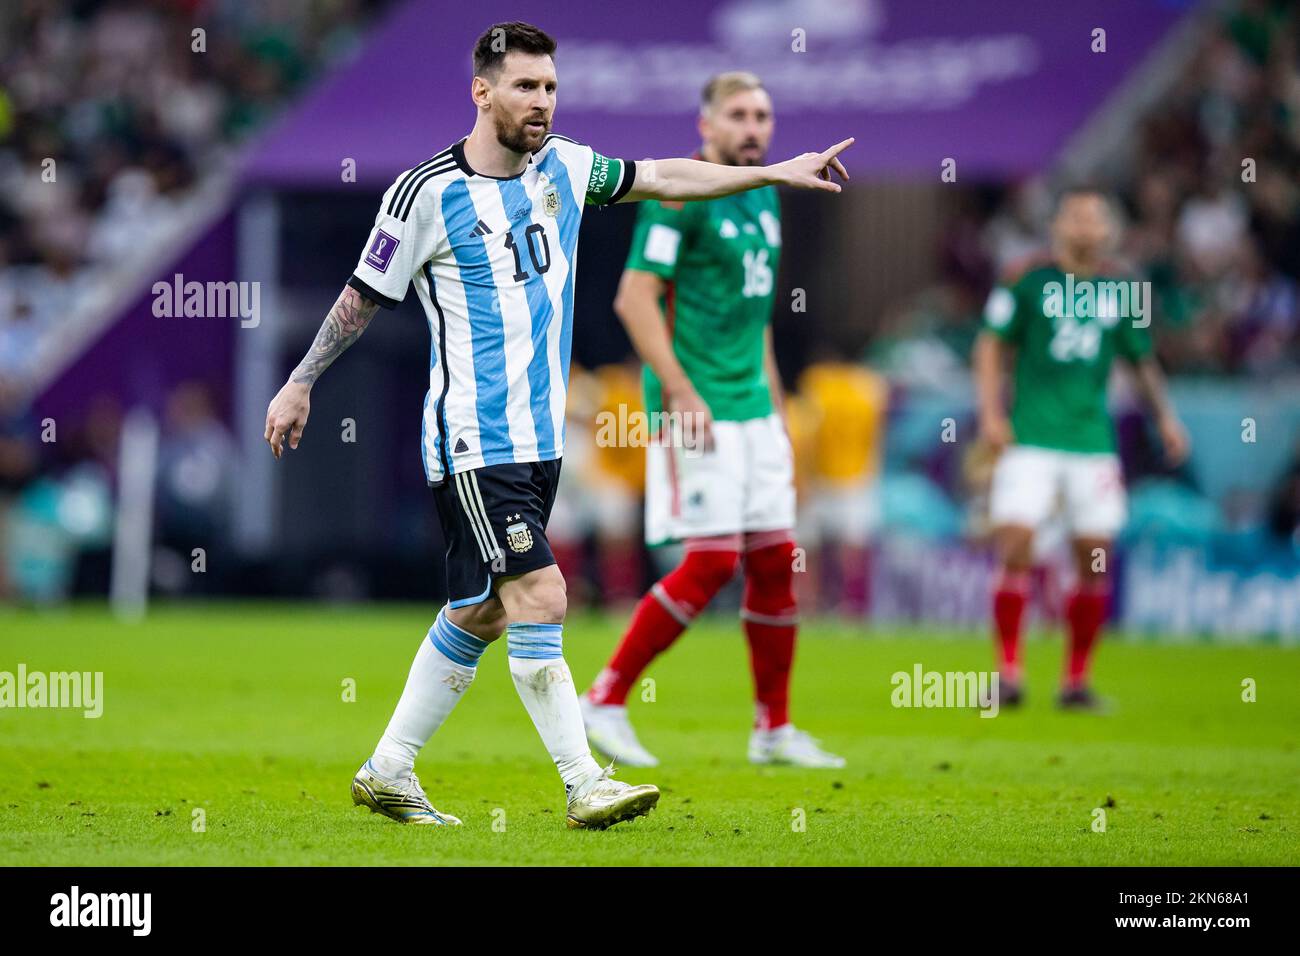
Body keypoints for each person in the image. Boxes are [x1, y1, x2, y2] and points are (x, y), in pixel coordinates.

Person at [263, 24, 853, 827]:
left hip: (540, 444)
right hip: (476, 440)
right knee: (541, 593)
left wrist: (772, 175)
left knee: (482, 610)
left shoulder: (567, 167)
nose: (541, 102)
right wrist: (300, 382)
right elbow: (362, 295)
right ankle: (585, 780)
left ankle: (388, 767)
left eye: (549, 87)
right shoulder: (423, 193)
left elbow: (664, 174)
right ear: (482, 92)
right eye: (524, 87)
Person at [580, 72, 845, 769]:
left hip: (754, 411)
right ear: (706, 126)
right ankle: (604, 699)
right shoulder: (677, 198)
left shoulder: (764, 200)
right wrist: (679, 390)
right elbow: (634, 300)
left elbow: (754, 322)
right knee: (712, 561)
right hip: (698, 408)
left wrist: (779, 408)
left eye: (763, 113)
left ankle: (773, 731)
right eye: (738, 114)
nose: (754, 127)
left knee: (774, 564)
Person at [974, 186, 1189, 709]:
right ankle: (1009, 674)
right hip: (1031, 438)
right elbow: (990, 343)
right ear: (1058, 226)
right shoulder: (1025, 278)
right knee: (1016, 544)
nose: (1085, 227)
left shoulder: (1125, 288)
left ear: (1110, 230)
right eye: (1075, 217)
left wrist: (1165, 417)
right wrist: (990, 415)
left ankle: (1076, 681)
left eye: (1096, 218)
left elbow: (1140, 359)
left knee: (1095, 559)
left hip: (1093, 441)